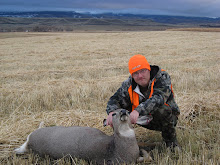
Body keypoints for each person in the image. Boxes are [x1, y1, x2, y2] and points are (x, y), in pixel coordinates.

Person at [106, 54, 180, 149]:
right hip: (142, 119)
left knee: (162, 109)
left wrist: (138, 111)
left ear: (148, 69)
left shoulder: (162, 77)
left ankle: (171, 144)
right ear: (132, 75)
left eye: (142, 71)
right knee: (118, 113)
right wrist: (112, 113)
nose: (140, 76)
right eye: (135, 73)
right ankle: (121, 144)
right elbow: (114, 99)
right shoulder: (128, 84)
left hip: (167, 118)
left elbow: (159, 99)